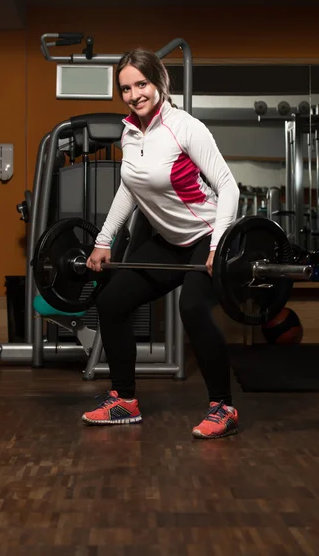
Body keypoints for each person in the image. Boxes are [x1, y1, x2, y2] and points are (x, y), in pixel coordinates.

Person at [83, 48, 240, 439]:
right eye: (126, 88)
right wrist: (104, 240)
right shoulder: (130, 131)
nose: (135, 95)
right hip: (168, 241)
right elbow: (130, 188)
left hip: (205, 236)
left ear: (159, 82)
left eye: (142, 84)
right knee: (111, 301)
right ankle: (124, 402)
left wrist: (218, 247)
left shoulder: (185, 127)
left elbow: (228, 187)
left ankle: (223, 407)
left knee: (193, 308)